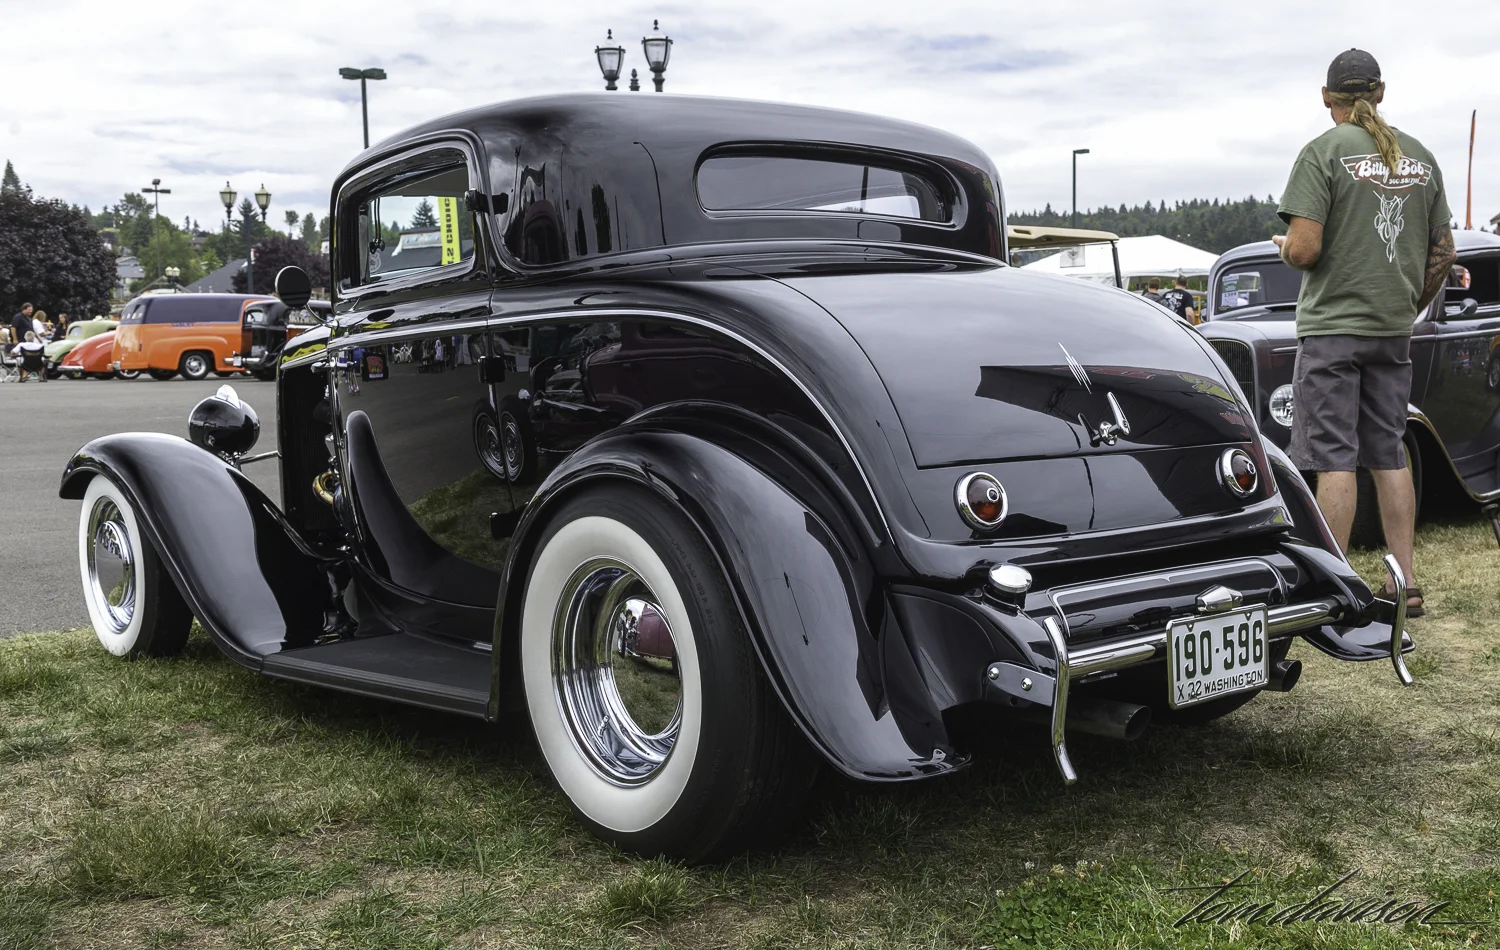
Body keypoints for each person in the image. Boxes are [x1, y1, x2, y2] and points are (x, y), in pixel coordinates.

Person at [1273, 48, 1455, 617]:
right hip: (1391, 331)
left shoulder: (1323, 152)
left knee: (1335, 459)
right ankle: (1406, 585)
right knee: (1389, 454)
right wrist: (1405, 306)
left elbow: (1306, 249)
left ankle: (1337, 588)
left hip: (1332, 330)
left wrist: (1284, 248)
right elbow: (1443, 251)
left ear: (1327, 98)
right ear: (1380, 93)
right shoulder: (1420, 156)